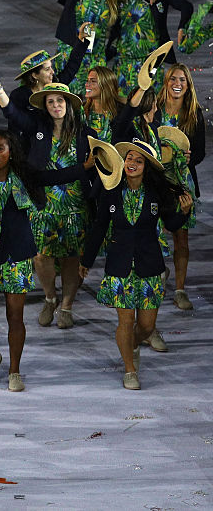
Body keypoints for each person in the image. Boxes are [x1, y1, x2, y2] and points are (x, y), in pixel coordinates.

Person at [0, 130, 90, 392]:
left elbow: (55, 177)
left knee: (15, 317)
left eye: (0, 148)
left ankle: (14, 370)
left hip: (17, 254)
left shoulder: (24, 176)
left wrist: (84, 167)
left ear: (10, 150)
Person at [80, 140, 191, 390]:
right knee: (126, 322)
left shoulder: (156, 193)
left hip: (149, 266)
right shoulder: (111, 190)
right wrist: (86, 260)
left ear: (146, 167)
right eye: (129, 158)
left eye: (138, 161)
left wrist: (184, 212)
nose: (132, 163)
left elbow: (171, 224)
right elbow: (99, 228)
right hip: (119, 267)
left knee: (146, 326)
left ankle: (132, 345)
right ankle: (129, 369)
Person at [0, 77, 93, 329]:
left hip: (76, 206)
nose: (56, 105)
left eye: (60, 100)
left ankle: (66, 305)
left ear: (68, 104)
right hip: (43, 203)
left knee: (71, 258)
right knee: (41, 257)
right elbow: (11, 111)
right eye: (51, 101)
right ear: (45, 106)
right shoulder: (37, 126)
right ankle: (50, 298)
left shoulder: (85, 132)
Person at [156, 64, 205, 311]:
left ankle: (180, 289)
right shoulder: (154, 109)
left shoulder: (193, 113)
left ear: (188, 85)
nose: (178, 83)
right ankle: (158, 270)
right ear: (166, 82)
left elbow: (200, 152)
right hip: (155, 181)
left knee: (181, 239)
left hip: (182, 184)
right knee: (152, 233)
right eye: (173, 78)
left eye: (183, 80)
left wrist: (189, 158)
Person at [109, 0, 192, 96]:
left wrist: (181, 28)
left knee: (150, 103)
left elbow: (186, 6)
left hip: (151, 59)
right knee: (123, 103)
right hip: (124, 59)